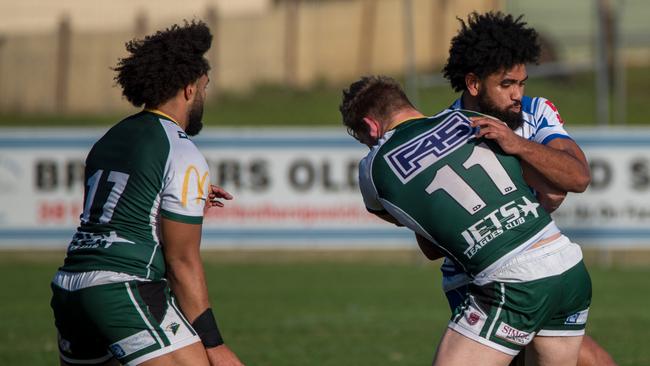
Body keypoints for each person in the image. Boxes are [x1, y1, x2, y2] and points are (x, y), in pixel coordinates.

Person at [340, 75, 592, 366]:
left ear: (371, 127)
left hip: (513, 281)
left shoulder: (372, 167)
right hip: (567, 265)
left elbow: (431, 246)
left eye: (364, 140)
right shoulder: (471, 119)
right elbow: (551, 191)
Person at [49, 21, 244, 366]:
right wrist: (214, 344)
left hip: (71, 288)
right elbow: (181, 261)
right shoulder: (181, 149)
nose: (204, 97)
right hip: (121, 286)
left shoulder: (112, 137)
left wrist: (185, 195)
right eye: (204, 88)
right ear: (188, 89)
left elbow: (129, 202)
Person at [440, 11, 616, 366]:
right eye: (507, 85)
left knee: (593, 359)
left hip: (537, 270)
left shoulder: (535, 113)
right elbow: (430, 240)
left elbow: (576, 177)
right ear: (474, 84)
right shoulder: (444, 136)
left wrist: (517, 145)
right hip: (478, 279)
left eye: (522, 83)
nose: (518, 95)